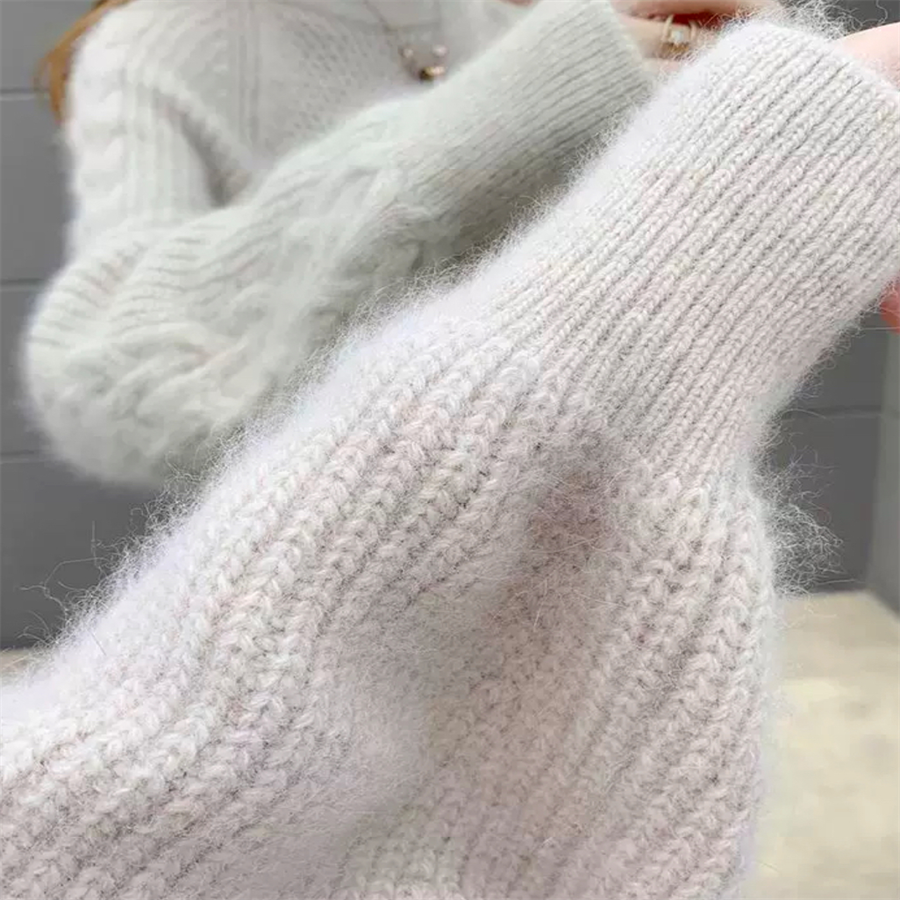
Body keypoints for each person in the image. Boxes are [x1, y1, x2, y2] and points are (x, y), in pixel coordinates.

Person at [2, 5, 898, 898]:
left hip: (569, 554)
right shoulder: (161, 47)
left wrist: (768, 141)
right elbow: (112, 369)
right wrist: (530, 98)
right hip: (300, 572)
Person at [22, 0, 768, 488]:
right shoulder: (151, 49)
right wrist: (457, 141)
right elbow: (105, 372)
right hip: (334, 574)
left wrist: (750, 73)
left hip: (600, 528)